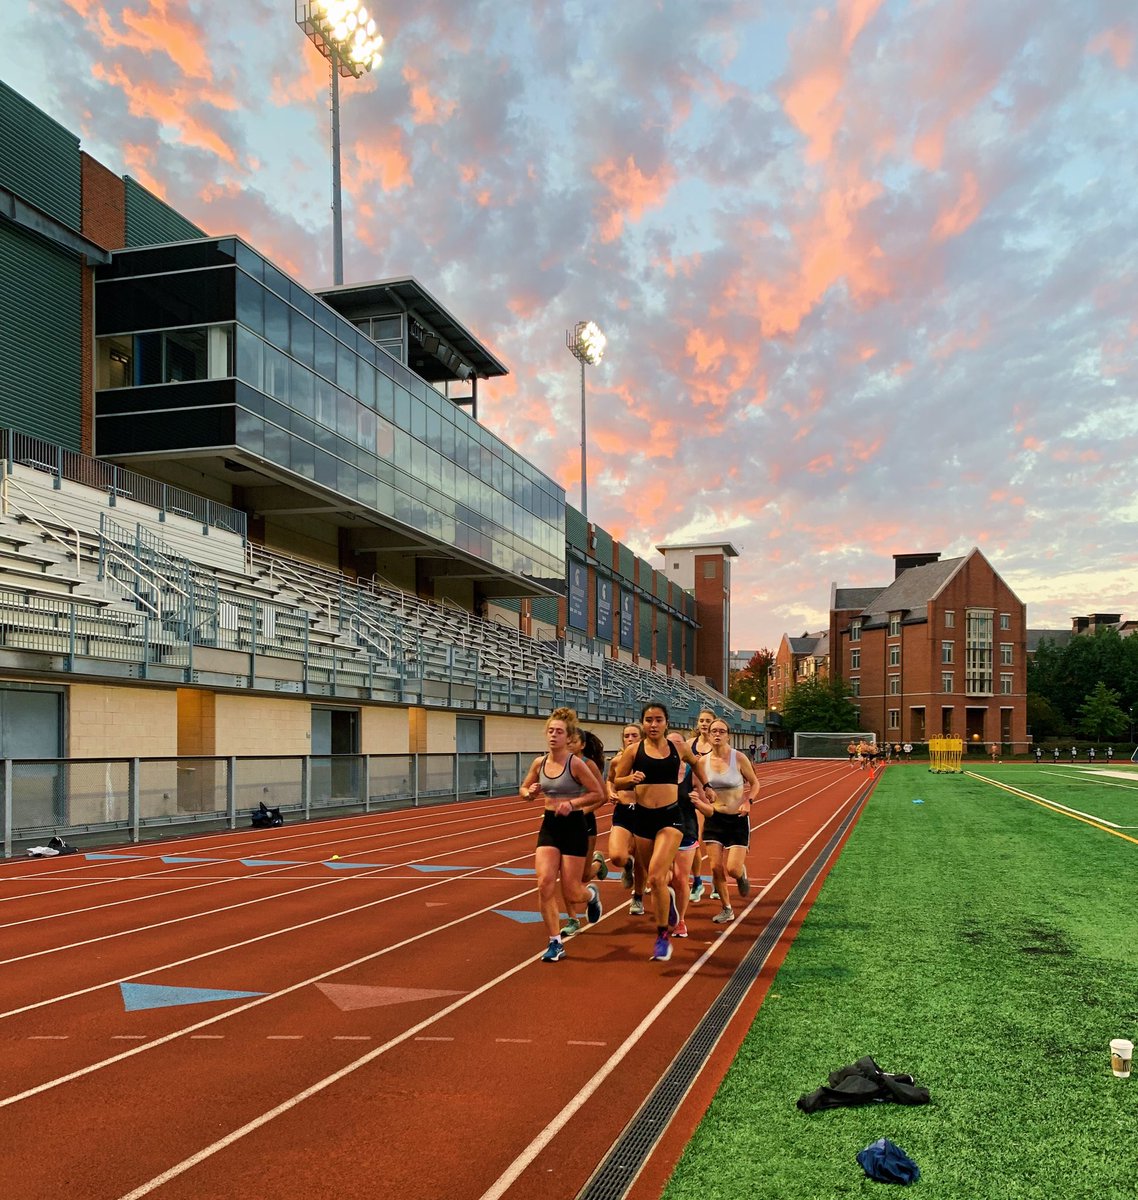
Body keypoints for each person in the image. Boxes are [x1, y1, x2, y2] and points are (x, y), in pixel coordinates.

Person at [612, 702, 711, 962]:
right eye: (648, 720)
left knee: (656, 878)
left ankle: (662, 936)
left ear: (666, 723)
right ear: (643, 723)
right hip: (643, 819)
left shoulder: (679, 748)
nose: (653, 725)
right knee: (650, 876)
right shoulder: (634, 751)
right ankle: (665, 908)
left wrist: (707, 786)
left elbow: (696, 763)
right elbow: (616, 780)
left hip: (671, 817)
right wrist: (629, 780)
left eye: (658, 720)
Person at [520, 707, 604, 962]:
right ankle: (555, 942)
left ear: (568, 737)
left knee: (572, 893)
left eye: (559, 731)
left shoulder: (576, 764)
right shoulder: (540, 763)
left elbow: (598, 794)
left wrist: (573, 804)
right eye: (550, 731)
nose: (553, 735)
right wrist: (530, 792)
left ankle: (591, 895)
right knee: (544, 882)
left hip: (574, 826)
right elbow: (523, 789)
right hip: (550, 826)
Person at [702, 719, 761, 925]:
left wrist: (748, 801)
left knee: (733, 869)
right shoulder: (703, 762)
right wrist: (704, 793)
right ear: (708, 736)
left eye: (722, 731)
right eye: (714, 731)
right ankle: (727, 908)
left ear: (728, 735)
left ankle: (741, 874)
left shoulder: (738, 758)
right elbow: (696, 786)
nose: (717, 734)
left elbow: (754, 783)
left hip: (737, 818)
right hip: (714, 819)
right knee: (715, 867)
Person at [559, 728, 609, 938]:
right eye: (566, 741)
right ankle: (572, 919)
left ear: (582, 745)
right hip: (560, 824)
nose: (568, 744)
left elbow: (602, 796)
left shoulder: (588, 765)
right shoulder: (558, 763)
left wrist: (578, 811)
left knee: (583, 875)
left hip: (584, 823)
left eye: (573, 741)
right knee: (564, 875)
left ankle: (597, 866)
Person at [605, 724, 646, 911]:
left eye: (634, 735)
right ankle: (625, 864)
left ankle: (637, 897)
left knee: (641, 859)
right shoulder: (617, 761)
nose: (630, 738)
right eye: (627, 736)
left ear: (642, 737)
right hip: (623, 810)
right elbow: (610, 780)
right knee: (616, 856)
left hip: (644, 811)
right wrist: (610, 792)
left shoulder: (649, 760)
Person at [686, 708, 716, 904]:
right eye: (702, 720)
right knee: (693, 841)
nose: (704, 724)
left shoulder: (720, 745)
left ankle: (718, 880)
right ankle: (697, 881)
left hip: (714, 799)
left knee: (715, 843)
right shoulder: (688, 745)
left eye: (708, 721)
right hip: (693, 798)